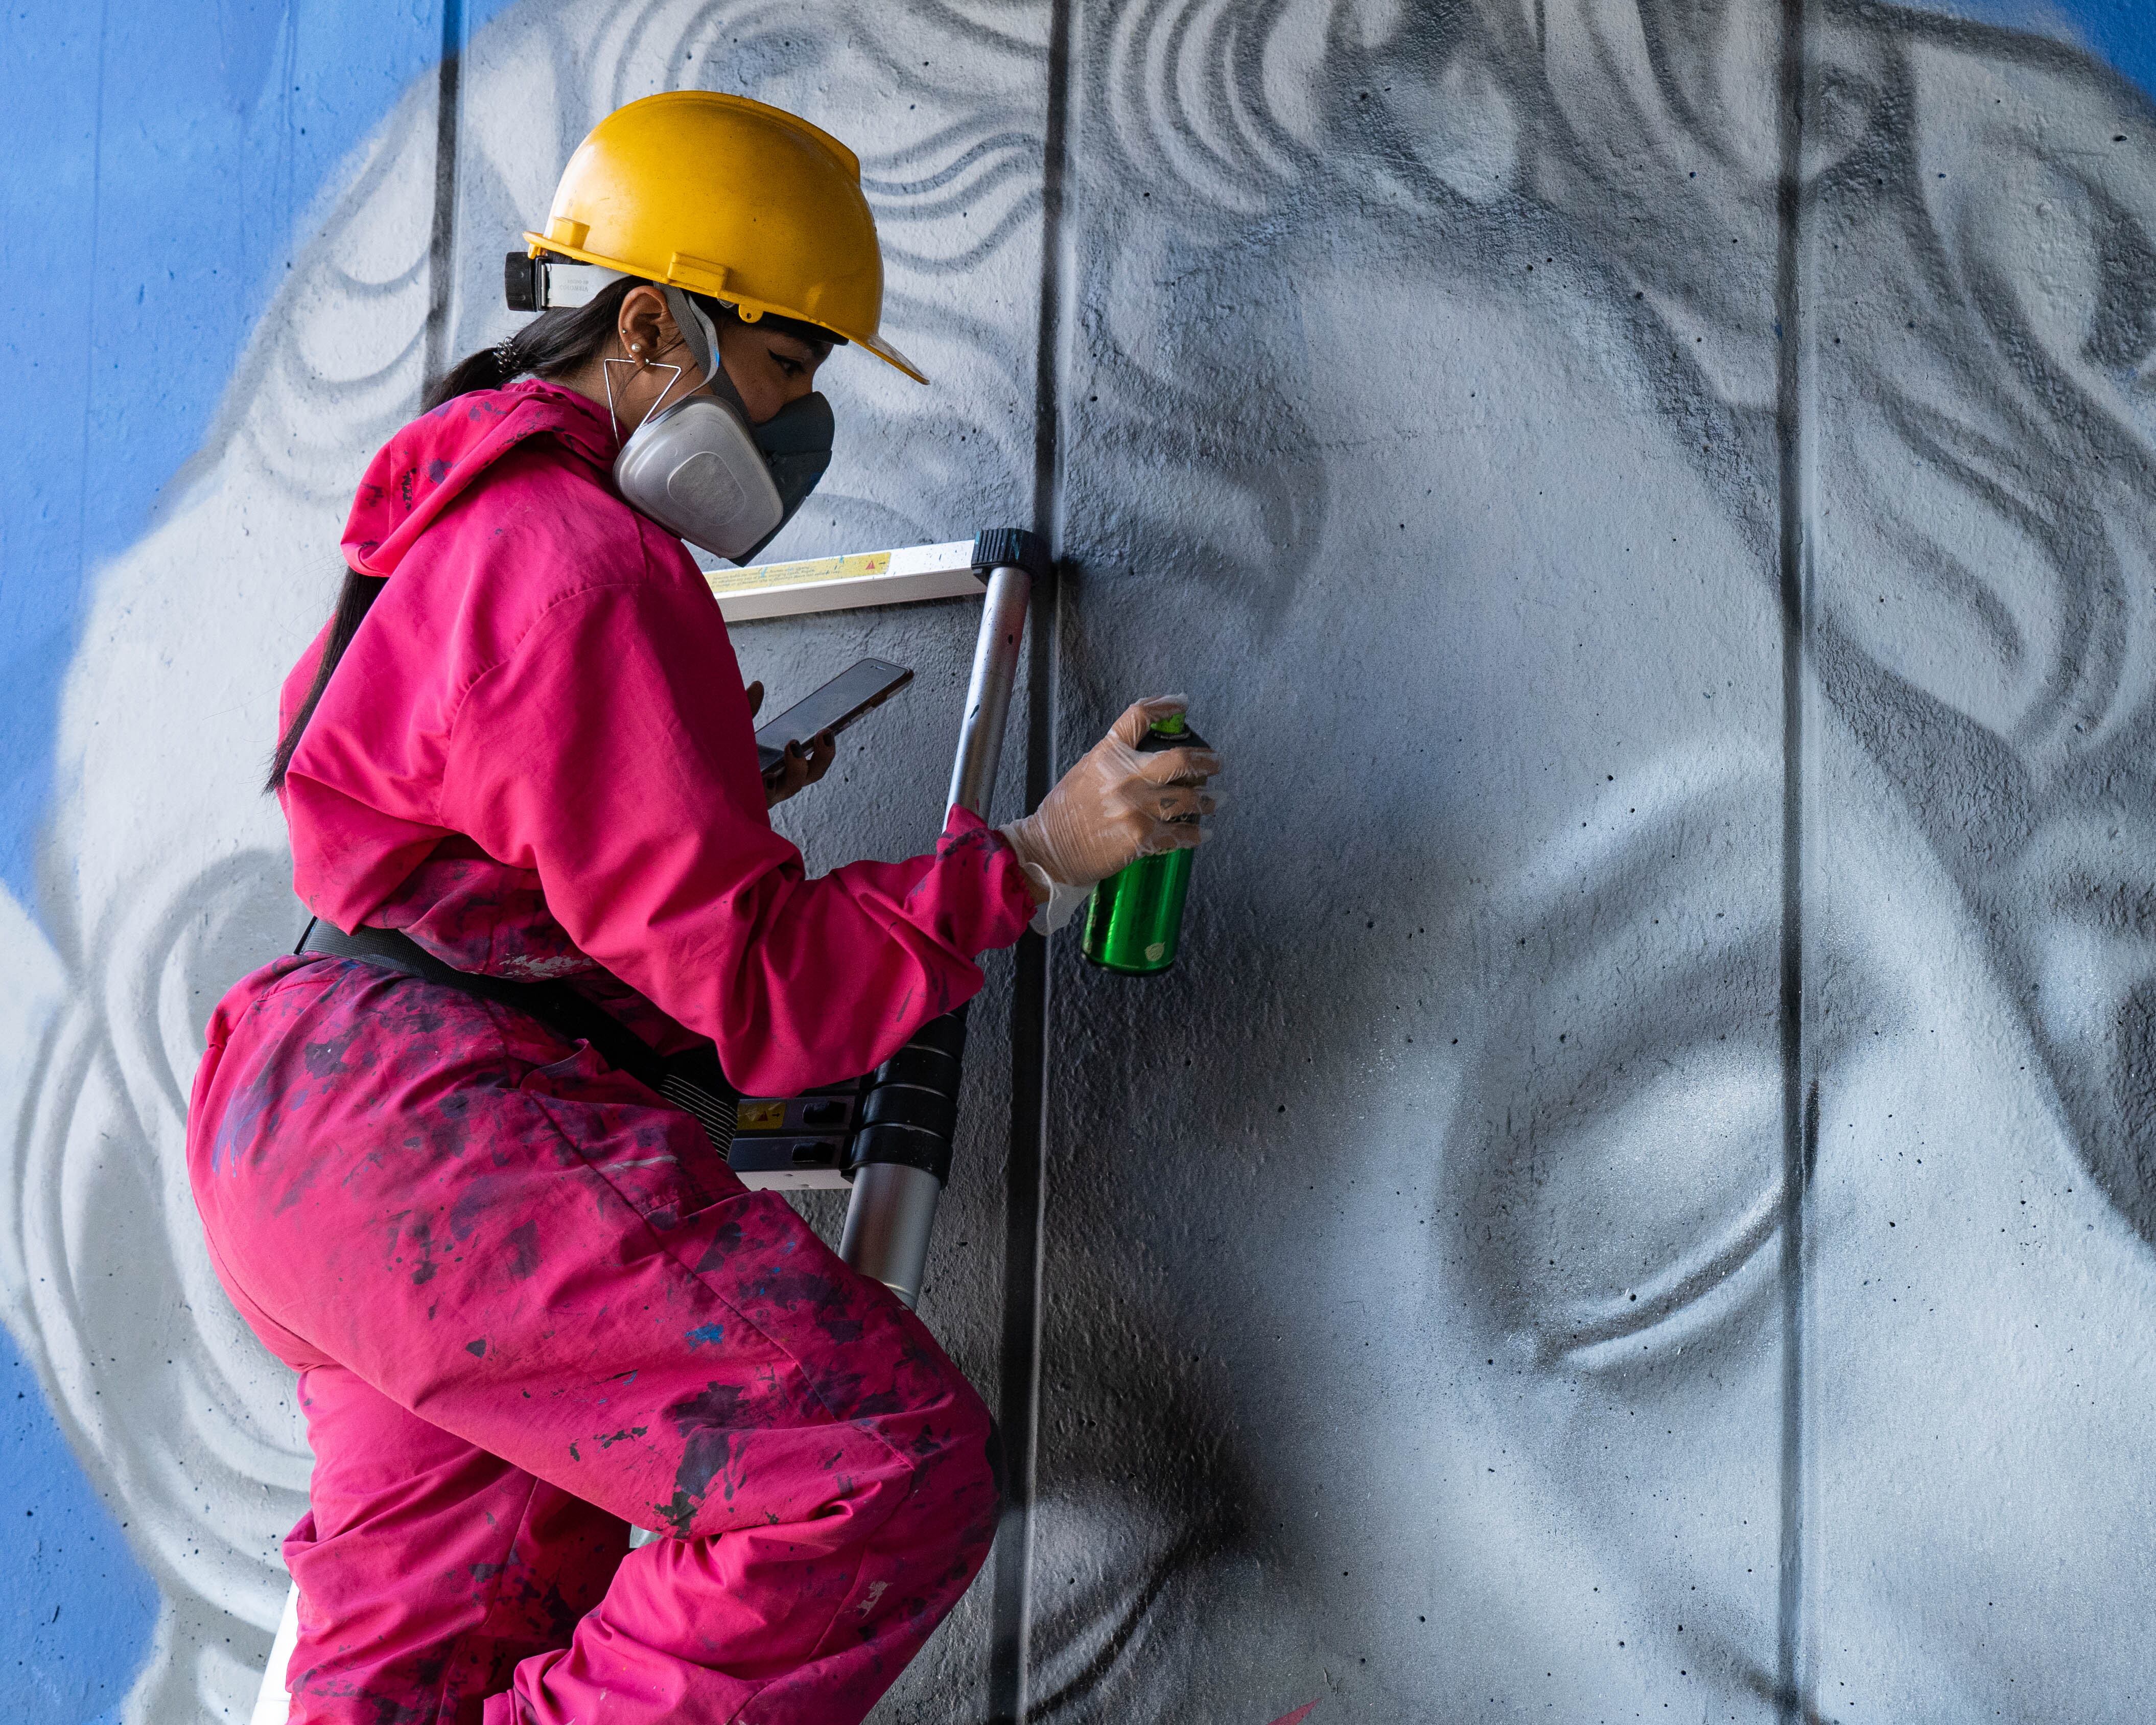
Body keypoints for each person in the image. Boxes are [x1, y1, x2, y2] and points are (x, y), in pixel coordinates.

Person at [182, 91, 1220, 1725]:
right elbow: (765, 997)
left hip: (305, 1125)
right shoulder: (587, 562)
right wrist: (1033, 855)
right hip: (443, 1135)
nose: (808, 428)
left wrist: (703, 782)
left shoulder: (454, 520)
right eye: (794, 368)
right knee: (876, 1470)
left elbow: (457, 836)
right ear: (653, 326)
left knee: (408, 1671)